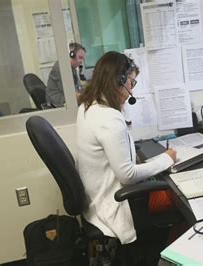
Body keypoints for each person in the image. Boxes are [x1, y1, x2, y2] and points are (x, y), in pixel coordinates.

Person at [76, 51, 177, 248]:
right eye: (131, 83)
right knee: (177, 207)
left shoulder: (88, 106)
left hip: (95, 200)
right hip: (112, 206)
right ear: (118, 81)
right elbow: (127, 175)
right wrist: (167, 159)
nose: (132, 90)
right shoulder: (108, 119)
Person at [46, 42, 86, 107]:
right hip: (57, 104)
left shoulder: (72, 69)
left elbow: (78, 88)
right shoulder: (62, 69)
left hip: (67, 101)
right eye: (80, 57)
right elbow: (72, 95)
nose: (81, 61)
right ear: (71, 55)